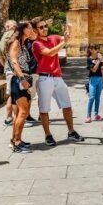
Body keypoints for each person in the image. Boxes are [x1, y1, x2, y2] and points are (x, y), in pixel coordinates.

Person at [31, 17, 84, 146]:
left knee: (67, 105)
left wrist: (68, 30)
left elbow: (66, 37)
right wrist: (64, 42)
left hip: (57, 77)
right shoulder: (36, 43)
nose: (44, 29)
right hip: (44, 78)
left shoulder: (53, 38)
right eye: (41, 27)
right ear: (35, 30)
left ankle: (71, 131)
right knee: (44, 109)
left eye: (45, 26)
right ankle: (48, 135)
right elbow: (49, 53)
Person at [6, 21, 35, 153]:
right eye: (29, 28)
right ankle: (16, 143)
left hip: (24, 79)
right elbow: (14, 61)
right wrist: (22, 79)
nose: (32, 30)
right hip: (18, 80)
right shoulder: (16, 43)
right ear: (23, 29)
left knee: (20, 113)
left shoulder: (23, 44)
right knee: (23, 112)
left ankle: (16, 140)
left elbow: (35, 37)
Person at [0, 19, 18, 128]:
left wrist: (6, 66)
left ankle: (10, 117)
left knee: (11, 94)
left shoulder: (2, 38)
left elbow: (0, 57)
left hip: (9, 69)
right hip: (15, 69)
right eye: (13, 26)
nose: (14, 27)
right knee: (14, 95)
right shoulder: (13, 36)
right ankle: (11, 118)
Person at [85, 45, 103, 123]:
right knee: (92, 97)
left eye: (94, 48)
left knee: (98, 98)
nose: (92, 50)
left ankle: (96, 114)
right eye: (91, 48)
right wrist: (98, 61)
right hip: (93, 79)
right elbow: (94, 70)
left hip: (100, 79)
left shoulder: (99, 58)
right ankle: (88, 116)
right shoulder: (89, 59)